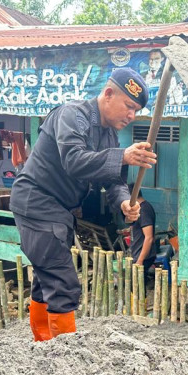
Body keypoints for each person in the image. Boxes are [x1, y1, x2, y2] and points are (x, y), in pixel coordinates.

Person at [10, 68, 156, 341]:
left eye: (136, 111)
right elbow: (74, 160)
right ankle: (62, 353)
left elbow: (113, 180)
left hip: (59, 210)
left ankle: (43, 343)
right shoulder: (72, 115)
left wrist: (124, 203)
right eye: (129, 106)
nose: (131, 116)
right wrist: (122, 156)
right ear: (108, 94)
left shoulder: (109, 136)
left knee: (46, 278)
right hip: (37, 201)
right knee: (63, 283)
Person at [128, 182, 157, 277]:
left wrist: (140, 260)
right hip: (138, 254)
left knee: (137, 283)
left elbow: (149, 237)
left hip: (143, 257)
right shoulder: (139, 209)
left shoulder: (144, 210)